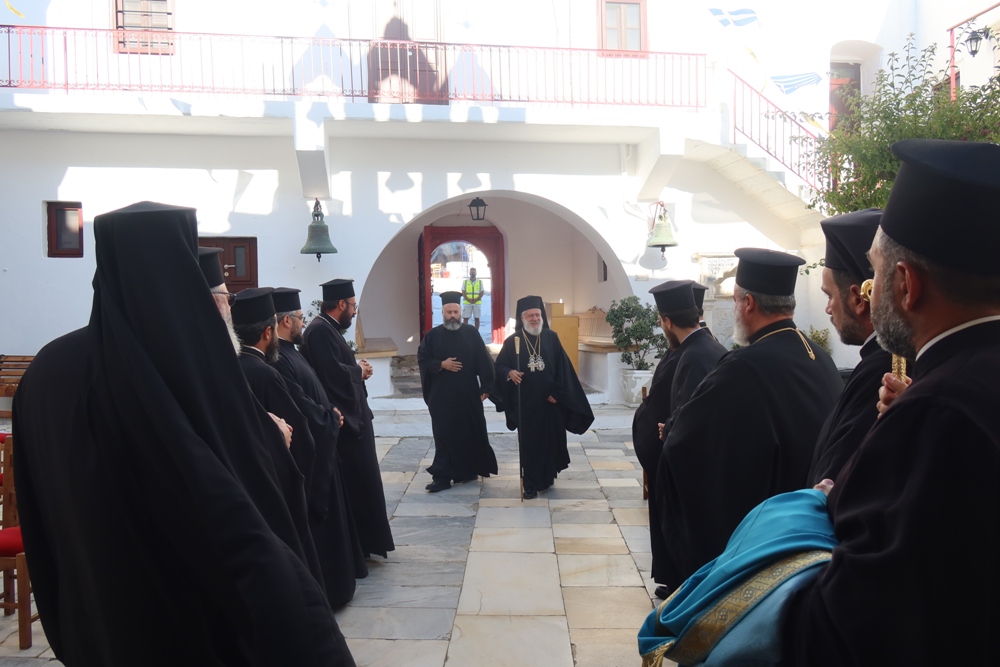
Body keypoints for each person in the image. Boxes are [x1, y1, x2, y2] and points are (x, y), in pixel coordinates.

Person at [12, 202, 355, 666]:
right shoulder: (195, 377)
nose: (228, 308)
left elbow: (38, 509)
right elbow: (241, 514)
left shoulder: (46, 369)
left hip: (97, 618)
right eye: (222, 297)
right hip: (186, 624)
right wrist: (271, 441)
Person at [783, 139, 1000, 665]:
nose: (868, 291)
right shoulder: (943, 396)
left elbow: (856, 624)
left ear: (905, 283)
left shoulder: (934, 413)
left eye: (875, 272)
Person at [657, 248, 843, 591]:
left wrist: (670, 431)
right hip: (813, 527)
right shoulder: (818, 356)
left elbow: (687, 444)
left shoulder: (742, 368)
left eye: (735, 302)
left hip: (768, 539)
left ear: (748, 304)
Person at [198, 247, 323, 582]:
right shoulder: (262, 372)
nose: (230, 305)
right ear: (270, 331)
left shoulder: (234, 365)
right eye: (227, 298)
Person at [270, 287, 368, 607]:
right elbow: (298, 404)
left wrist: (329, 412)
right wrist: (327, 417)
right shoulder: (279, 359)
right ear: (286, 321)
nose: (303, 321)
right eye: (299, 317)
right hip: (317, 441)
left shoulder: (291, 350)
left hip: (327, 432)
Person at [301, 278, 394, 559]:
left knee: (365, 482)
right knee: (360, 483)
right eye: (353, 306)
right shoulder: (319, 331)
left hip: (354, 418)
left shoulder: (328, 329)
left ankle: (367, 543)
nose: (354, 311)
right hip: (347, 424)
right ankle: (362, 544)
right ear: (340, 304)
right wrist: (358, 372)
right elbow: (330, 376)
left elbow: (336, 366)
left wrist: (355, 368)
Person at [806, 209, 893, 485]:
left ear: (858, 298)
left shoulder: (882, 372)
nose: (828, 309)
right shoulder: (880, 362)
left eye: (829, 296)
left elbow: (834, 481)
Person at [493, 296, 594, 499]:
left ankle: (547, 477)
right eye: (530, 315)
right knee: (530, 444)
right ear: (522, 318)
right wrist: (509, 373)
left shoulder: (551, 337)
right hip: (526, 405)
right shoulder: (513, 341)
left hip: (550, 403)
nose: (535, 319)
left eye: (538, 315)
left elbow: (564, 369)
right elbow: (499, 366)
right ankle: (530, 484)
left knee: (551, 442)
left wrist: (558, 394)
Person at [232, 287, 316, 500]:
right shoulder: (266, 374)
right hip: (274, 483)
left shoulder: (230, 366)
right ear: (268, 333)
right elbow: (299, 433)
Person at [418, 291, 498, 492]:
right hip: (441, 397)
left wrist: (486, 387)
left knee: (469, 431)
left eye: (455, 312)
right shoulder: (432, 336)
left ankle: (468, 471)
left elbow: (484, 360)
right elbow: (423, 360)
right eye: (449, 312)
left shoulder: (471, 333)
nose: (452, 316)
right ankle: (442, 477)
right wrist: (441, 364)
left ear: (461, 312)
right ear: (443, 313)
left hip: (467, 395)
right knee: (444, 435)